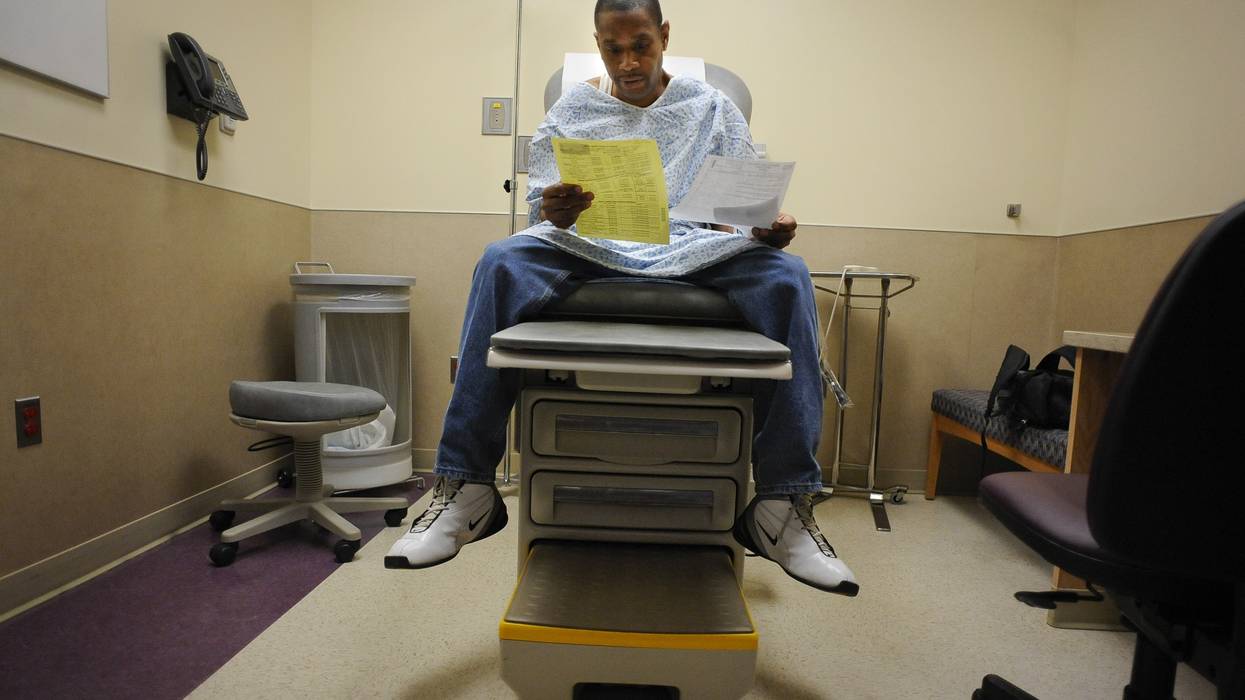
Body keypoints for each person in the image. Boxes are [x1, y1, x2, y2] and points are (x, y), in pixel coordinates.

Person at [385, 0, 858, 596]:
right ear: (598, 42)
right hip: (593, 249)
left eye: (641, 45)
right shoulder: (573, 109)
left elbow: (743, 202)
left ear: (664, 36)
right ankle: (466, 486)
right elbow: (543, 208)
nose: (628, 61)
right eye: (613, 48)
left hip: (695, 250)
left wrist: (765, 228)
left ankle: (784, 508)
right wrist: (553, 210)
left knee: (788, 275)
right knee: (499, 260)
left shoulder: (712, 107)